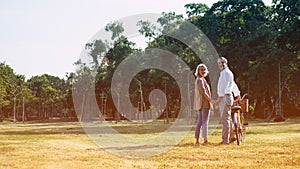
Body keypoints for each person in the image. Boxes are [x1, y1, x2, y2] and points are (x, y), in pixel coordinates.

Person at [213, 57, 241, 144]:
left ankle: (225, 139)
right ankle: (231, 136)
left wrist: (219, 98)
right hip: (227, 97)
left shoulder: (225, 73)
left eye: (222, 62)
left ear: (226, 62)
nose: (221, 64)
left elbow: (224, 88)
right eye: (219, 63)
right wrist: (237, 94)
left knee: (225, 119)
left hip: (225, 97)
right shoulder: (228, 73)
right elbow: (232, 84)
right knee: (227, 118)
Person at [193, 63, 212, 145]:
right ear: (198, 71)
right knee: (204, 122)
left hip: (200, 103)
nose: (203, 71)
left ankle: (197, 139)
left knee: (200, 122)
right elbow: (203, 92)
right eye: (201, 70)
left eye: (204, 69)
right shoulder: (200, 80)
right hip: (204, 103)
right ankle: (205, 139)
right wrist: (211, 100)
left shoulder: (201, 79)